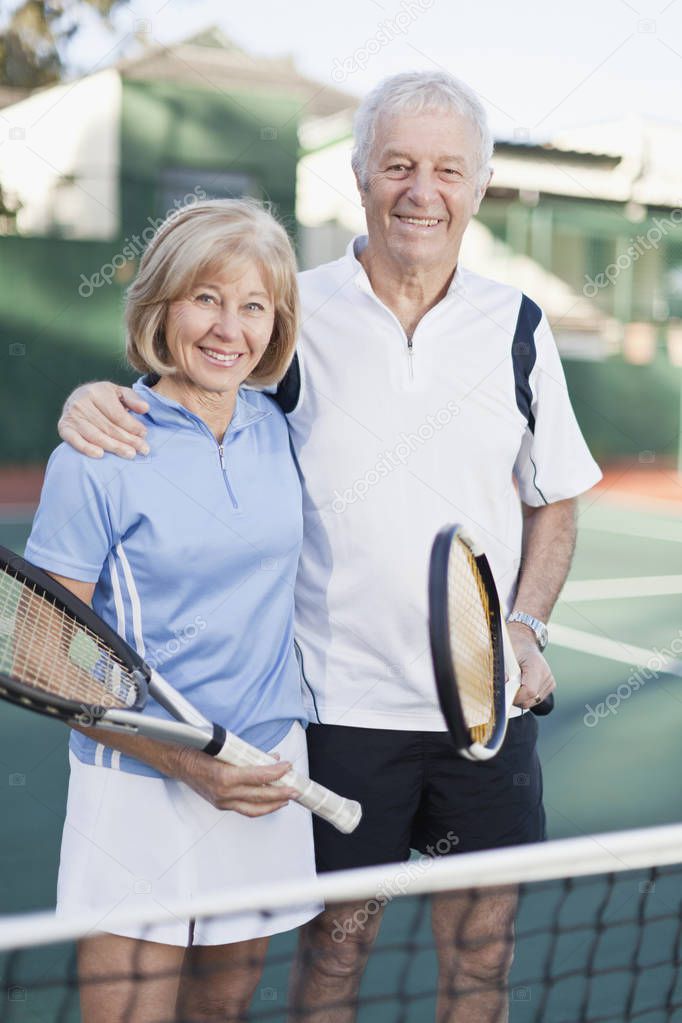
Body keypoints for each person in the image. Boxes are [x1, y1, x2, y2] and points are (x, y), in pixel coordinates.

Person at [57, 71, 602, 1022]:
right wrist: (96, 396)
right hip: (334, 716)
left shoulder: (519, 326)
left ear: (477, 187)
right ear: (359, 178)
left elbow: (553, 499)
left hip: (482, 721)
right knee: (335, 961)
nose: (419, 191)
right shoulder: (290, 313)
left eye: (445, 170)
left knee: (488, 958)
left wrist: (524, 626)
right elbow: (196, 380)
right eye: (396, 165)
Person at [25, 198, 320, 1023]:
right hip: (139, 790)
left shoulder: (286, 430)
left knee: (223, 1009)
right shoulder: (97, 453)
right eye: (206, 298)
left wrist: (238, 769)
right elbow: (47, 654)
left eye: (254, 305)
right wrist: (191, 764)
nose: (231, 328)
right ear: (161, 305)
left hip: (266, 769)